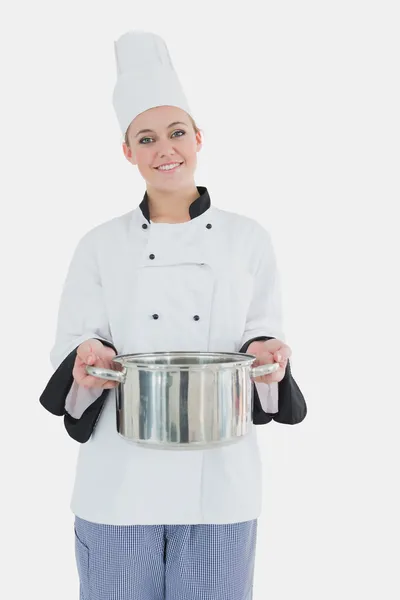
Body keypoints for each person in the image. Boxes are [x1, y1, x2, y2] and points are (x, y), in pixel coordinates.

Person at [40, 30, 307, 600]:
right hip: (119, 479)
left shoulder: (247, 239)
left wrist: (267, 358)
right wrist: (87, 362)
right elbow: (76, 345)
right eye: (146, 137)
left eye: (177, 132)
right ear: (127, 151)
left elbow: (264, 332)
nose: (166, 148)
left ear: (198, 137)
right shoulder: (99, 245)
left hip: (220, 481)